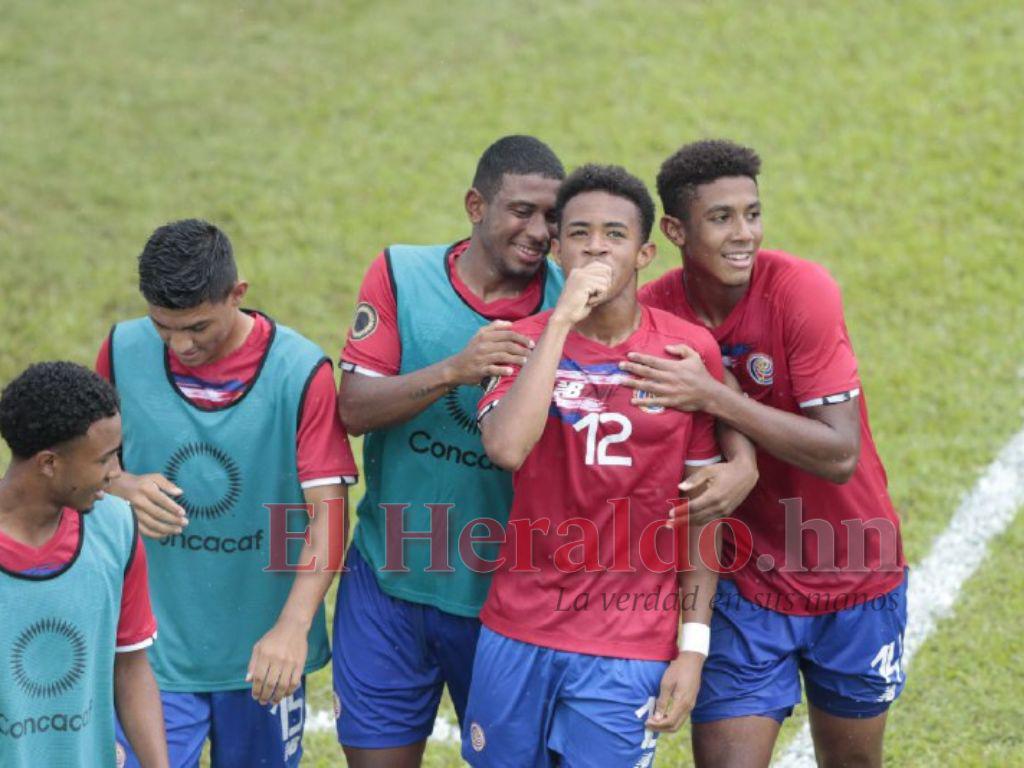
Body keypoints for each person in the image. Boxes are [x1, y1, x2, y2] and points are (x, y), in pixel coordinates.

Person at [625, 139, 907, 768]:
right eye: (721, 217)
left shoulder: (801, 290)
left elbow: (838, 452)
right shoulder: (653, 314)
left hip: (853, 567)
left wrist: (714, 397)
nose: (743, 233)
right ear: (673, 229)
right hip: (745, 583)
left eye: (752, 214)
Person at [464, 164, 736, 767]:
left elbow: (704, 509)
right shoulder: (517, 340)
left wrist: (692, 649)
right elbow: (506, 449)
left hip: (629, 641)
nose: (595, 246)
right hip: (518, 631)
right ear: (556, 248)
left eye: (614, 234)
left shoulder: (685, 354)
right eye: (579, 232)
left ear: (643, 253)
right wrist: (560, 322)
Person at [332, 135, 568, 767]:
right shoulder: (400, 274)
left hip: (506, 603)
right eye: (522, 210)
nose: (539, 230)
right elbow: (353, 407)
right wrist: (454, 370)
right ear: (475, 204)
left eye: (552, 217)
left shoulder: (569, 305)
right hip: (387, 583)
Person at [95, 219, 358, 767]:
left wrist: (290, 628)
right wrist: (120, 484)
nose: (180, 344)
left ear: (238, 294)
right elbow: (77, 472)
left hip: (264, 658)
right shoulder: (122, 351)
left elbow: (328, 514)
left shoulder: (299, 372)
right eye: (163, 326)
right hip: (150, 654)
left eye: (197, 327)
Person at [0, 362, 167, 768]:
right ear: (49, 463)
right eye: (105, 460)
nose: (115, 475)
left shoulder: (117, 528)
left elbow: (129, 668)